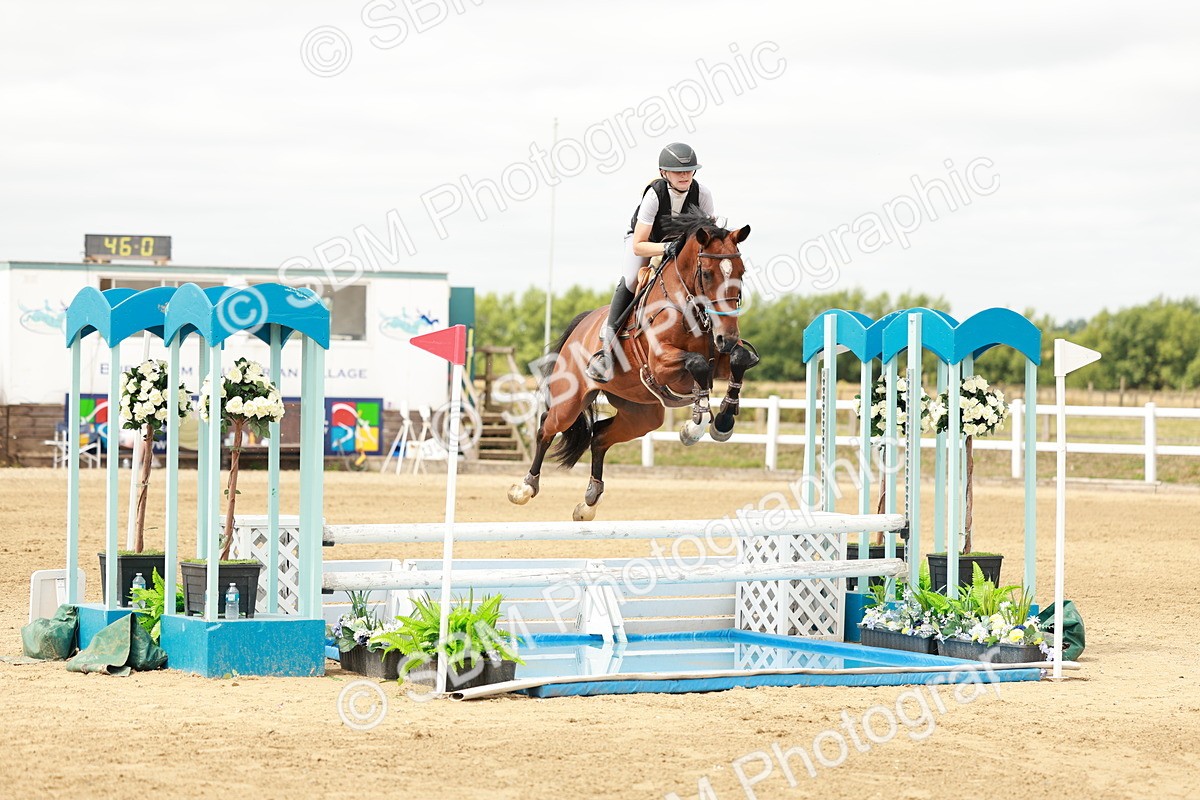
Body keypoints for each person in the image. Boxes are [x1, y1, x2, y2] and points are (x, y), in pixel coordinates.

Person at [586, 142, 716, 382]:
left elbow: (705, 239)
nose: (685, 175)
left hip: (681, 247)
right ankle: (607, 350)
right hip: (647, 242)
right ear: (664, 173)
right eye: (678, 171)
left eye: (689, 170)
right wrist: (666, 247)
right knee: (632, 279)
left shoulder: (703, 194)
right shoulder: (655, 195)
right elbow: (639, 245)